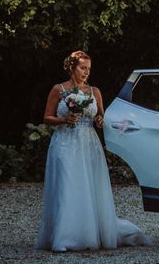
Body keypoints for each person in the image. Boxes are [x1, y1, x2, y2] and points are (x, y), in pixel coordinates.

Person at [36, 51, 151, 252]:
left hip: (88, 143)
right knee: (67, 185)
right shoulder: (58, 89)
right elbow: (47, 117)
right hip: (64, 143)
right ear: (72, 68)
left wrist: (99, 121)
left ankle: (88, 231)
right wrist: (63, 120)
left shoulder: (94, 91)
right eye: (82, 68)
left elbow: (100, 118)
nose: (86, 73)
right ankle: (65, 236)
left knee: (87, 186)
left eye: (88, 69)